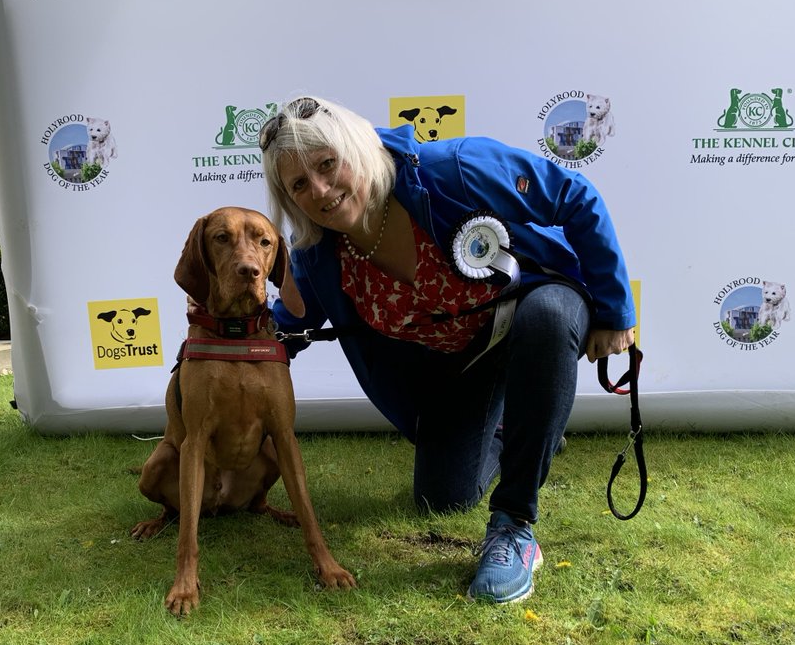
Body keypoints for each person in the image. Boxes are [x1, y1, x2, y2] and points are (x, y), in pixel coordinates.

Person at [259, 96, 635, 604]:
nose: (321, 191)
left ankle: (514, 527)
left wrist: (615, 310)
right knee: (441, 497)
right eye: (298, 184)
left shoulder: (451, 170)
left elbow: (573, 195)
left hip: (534, 311)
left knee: (547, 315)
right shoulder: (317, 256)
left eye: (328, 165)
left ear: (356, 148)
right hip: (462, 369)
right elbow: (290, 327)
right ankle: (529, 428)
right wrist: (215, 354)